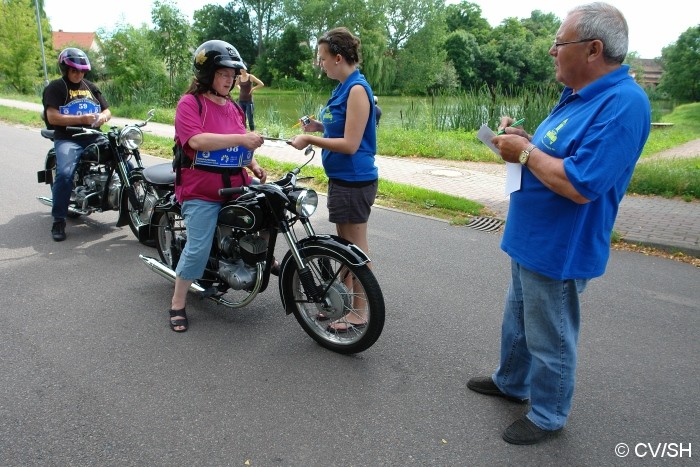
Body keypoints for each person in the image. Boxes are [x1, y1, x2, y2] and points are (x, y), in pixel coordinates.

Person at [468, 2, 651, 445]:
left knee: (551, 336)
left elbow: (582, 184)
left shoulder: (623, 104)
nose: (552, 51)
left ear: (592, 49)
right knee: (518, 319)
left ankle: (549, 414)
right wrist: (523, 143)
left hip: (560, 245)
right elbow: (559, 154)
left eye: (559, 43)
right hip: (531, 234)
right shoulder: (576, 96)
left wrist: (526, 154)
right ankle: (512, 382)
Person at [168, 40, 266, 333]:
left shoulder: (234, 107)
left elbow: (238, 145)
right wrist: (241, 139)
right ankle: (177, 303)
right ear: (207, 74)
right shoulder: (190, 104)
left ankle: (259, 254)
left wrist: (253, 164)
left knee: (269, 211)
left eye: (232, 75)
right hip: (202, 192)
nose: (230, 80)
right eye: (223, 74)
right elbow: (196, 141)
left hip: (235, 186)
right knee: (197, 247)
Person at [288, 27, 378, 331]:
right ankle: (347, 304)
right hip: (342, 178)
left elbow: (352, 144)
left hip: (354, 180)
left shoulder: (356, 89)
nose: (320, 63)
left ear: (338, 58)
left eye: (323, 58)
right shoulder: (342, 88)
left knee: (355, 249)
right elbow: (340, 129)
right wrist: (316, 126)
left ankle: (360, 311)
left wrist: (309, 141)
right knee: (344, 247)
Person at [42, 48, 112, 241]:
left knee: (124, 159)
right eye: (74, 71)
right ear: (65, 69)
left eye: (81, 71)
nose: (78, 74)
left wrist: (102, 118)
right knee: (64, 175)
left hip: (93, 136)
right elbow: (52, 116)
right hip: (68, 138)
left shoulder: (90, 87)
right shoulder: (56, 88)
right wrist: (81, 118)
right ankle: (58, 220)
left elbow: (107, 111)